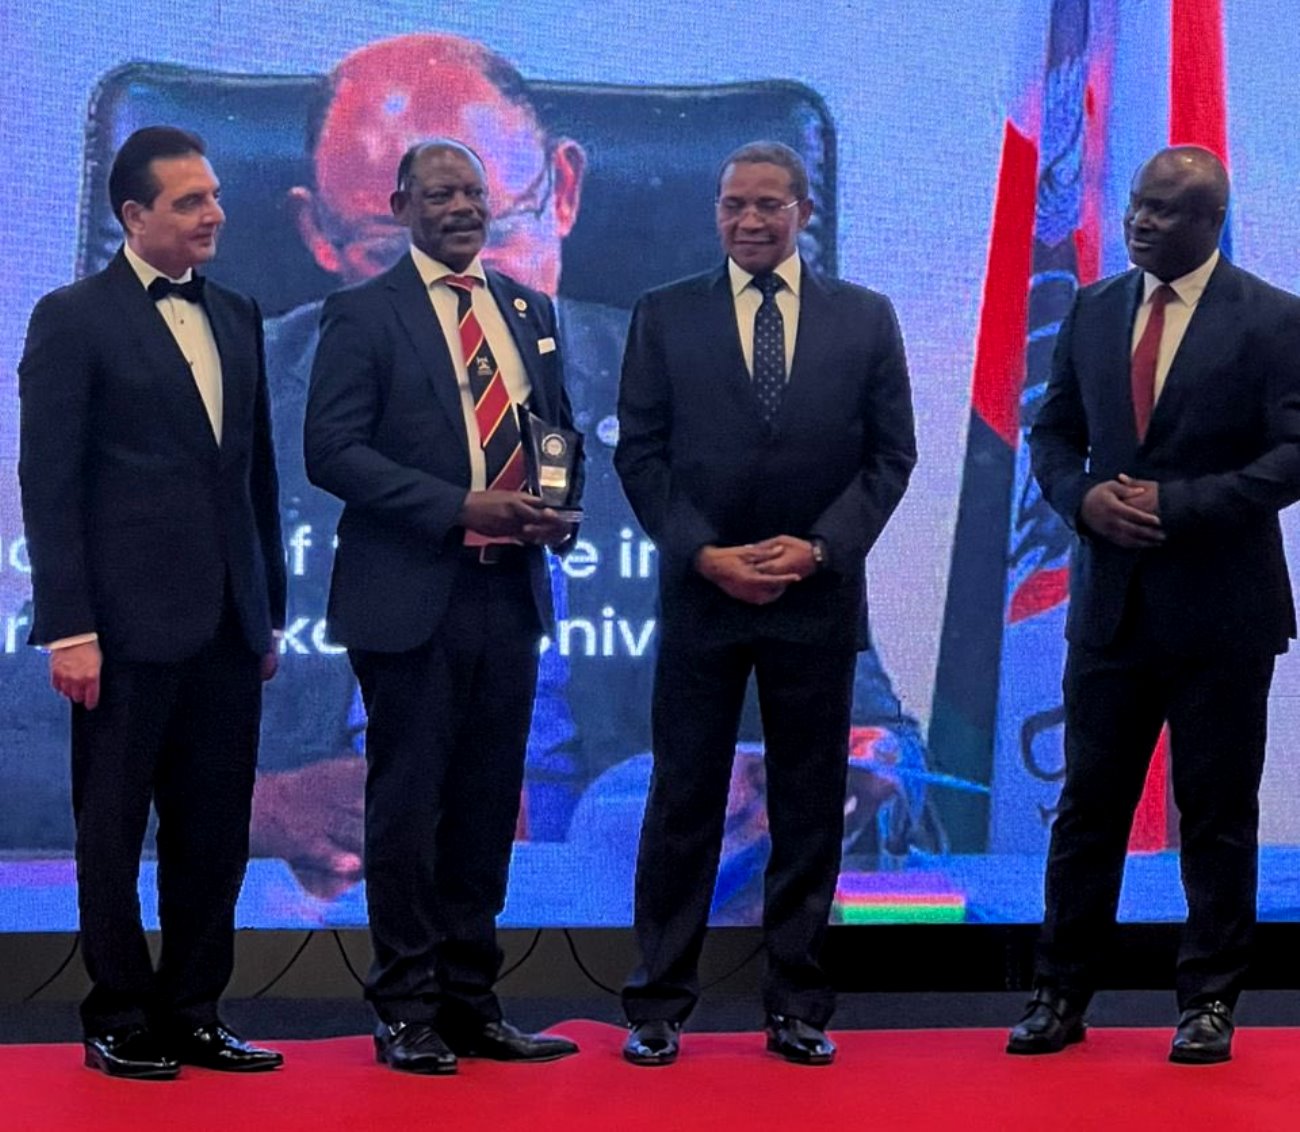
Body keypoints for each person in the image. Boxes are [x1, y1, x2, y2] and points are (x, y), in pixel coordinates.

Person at [252, 31, 932, 901]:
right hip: (327, 902)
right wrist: (257, 808)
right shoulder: (234, 398)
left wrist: (839, 775)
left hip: (640, 891)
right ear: (318, 233)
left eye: (490, 230)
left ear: (563, 193)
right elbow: (46, 723)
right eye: (398, 251)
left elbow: (872, 725)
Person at [615, 140, 917, 1066]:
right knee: (683, 802)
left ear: (803, 213)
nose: (749, 221)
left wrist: (820, 548)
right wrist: (704, 554)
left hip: (814, 600)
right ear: (716, 211)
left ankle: (796, 1005)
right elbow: (642, 455)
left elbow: (889, 458)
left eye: (768, 206)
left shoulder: (865, 320)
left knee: (808, 802)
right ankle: (659, 1004)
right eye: (733, 205)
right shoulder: (664, 316)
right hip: (705, 597)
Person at [1009, 146, 1300, 1065]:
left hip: (1222, 611)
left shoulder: (1273, 320)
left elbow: (1292, 456)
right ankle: (1060, 994)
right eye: (1137, 205)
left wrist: (1178, 506)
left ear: (1210, 222)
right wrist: (1081, 499)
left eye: (1165, 211)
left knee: (1215, 814)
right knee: (1088, 808)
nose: (1141, 222)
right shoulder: (1094, 310)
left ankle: (1208, 1002)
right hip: (1112, 609)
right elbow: (1053, 432)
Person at [304, 139, 581, 1074]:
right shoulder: (362, 314)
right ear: (401, 206)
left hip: (509, 593)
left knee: (482, 808)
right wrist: (458, 505)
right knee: (410, 808)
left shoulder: (527, 310)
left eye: (473, 191)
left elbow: (554, 432)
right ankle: (405, 1008)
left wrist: (556, 507)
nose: (462, 206)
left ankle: (472, 1002)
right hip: (409, 598)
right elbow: (332, 451)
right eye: (440, 193)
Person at [17, 126, 285, 1079]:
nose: (213, 213)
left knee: (215, 830)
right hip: (122, 632)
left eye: (213, 195)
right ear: (134, 216)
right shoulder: (73, 316)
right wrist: (72, 628)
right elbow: (47, 486)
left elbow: (253, 479)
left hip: (227, 624)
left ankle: (196, 1009)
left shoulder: (242, 313)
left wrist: (268, 612)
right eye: (188, 201)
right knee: (114, 827)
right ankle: (118, 1012)